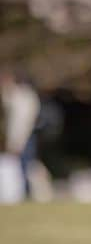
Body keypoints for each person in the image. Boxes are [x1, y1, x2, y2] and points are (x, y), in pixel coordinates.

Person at [1, 68, 40, 198]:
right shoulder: (17, 96)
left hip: (24, 137)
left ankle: (25, 193)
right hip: (23, 137)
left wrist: (17, 141)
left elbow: (21, 123)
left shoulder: (22, 97)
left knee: (24, 166)